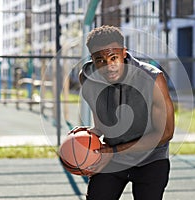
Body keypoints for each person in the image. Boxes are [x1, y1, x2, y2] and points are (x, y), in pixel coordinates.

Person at [73, 25, 174, 200]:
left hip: (150, 159)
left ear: (124, 52)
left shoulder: (152, 78)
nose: (109, 66)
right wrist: (95, 131)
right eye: (100, 60)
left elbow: (164, 133)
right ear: (93, 59)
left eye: (114, 58)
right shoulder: (87, 77)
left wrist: (113, 151)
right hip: (114, 158)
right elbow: (102, 117)